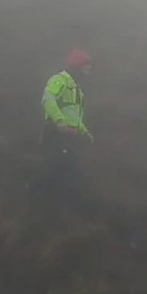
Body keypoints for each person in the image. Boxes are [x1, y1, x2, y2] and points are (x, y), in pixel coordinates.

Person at [40, 49, 94, 198]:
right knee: (55, 169)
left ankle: (60, 205)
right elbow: (48, 99)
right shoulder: (59, 80)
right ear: (76, 66)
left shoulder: (78, 90)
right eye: (85, 67)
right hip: (57, 134)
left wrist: (84, 132)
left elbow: (76, 116)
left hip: (71, 137)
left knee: (69, 173)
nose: (88, 70)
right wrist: (59, 121)